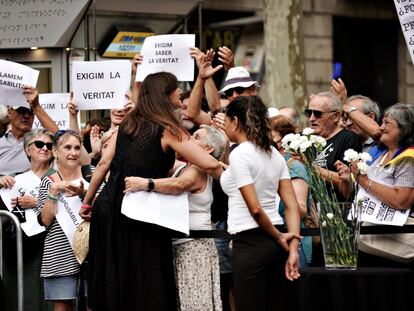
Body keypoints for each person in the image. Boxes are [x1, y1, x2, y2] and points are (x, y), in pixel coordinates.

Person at [80, 71, 223, 310]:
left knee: (113, 283)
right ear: (165, 95)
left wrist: (87, 202)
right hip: (140, 214)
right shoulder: (168, 129)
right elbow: (208, 162)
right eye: (176, 88)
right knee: (144, 284)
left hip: (110, 206)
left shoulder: (128, 122)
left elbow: (104, 163)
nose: (179, 92)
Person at [123, 124, 227, 311]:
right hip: (182, 245)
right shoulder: (188, 166)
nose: (189, 140)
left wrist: (145, 183)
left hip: (194, 248)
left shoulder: (197, 170)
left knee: (194, 303)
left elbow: (179, 184)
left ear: (208, 149)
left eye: (196, 137)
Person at [220, 95, 301, 311]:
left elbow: (254, 209)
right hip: (278, 241)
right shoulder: (274, 153)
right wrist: (292, 248)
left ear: (235, 121)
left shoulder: (241, 154)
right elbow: (292, 206)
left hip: (251, 243)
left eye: (226, 120)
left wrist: (281, 237)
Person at [337, 103, 414, 267]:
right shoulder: (382, 155)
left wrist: (365, 181)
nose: (380, 127)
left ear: (404, 129)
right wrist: (349, 179)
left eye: (387, 123)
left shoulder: (409, 159)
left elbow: (402, 200)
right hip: (371, 244)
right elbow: (363, 191)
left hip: (394, 245)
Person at [1, 129, 54, 311]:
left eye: (49, 145)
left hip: (51, 247)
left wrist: (37, 202)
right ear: (28, 150)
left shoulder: (59, 177)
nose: (44, 148)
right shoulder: (15, 179)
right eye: (39, 144)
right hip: (21, 249)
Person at [38, 130, 87, 311]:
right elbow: (45, 220)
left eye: (76, 147)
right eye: (67, 147)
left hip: (91, 251)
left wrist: (85, 195)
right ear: (56, 152)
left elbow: (104, 210)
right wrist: (53, 192)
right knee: (62, 306)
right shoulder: (47, 181)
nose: (73, 152)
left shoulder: (92, 174)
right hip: (59, 252)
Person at [270, 115, 312, 267]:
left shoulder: (294, 167)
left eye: (270, 137)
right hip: (276, 240)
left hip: (295, 243)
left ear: (282, 140)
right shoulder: (272, 165)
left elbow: (301, 209)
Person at [305, 91, 362, 202]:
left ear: (336, 116)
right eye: (308, 113)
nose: (311, 118)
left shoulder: (348, 138)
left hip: (336, 209)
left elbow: (347, 181)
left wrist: (311, 169)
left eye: (317, 113)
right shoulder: (303, 138)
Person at [0, 86, 58, 176]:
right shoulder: (1, 143)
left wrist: (36, 106)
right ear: (10, 112)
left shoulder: (40, 143)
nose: (26, 116)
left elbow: (60, 140)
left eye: (31, 111)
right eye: (21, 111)